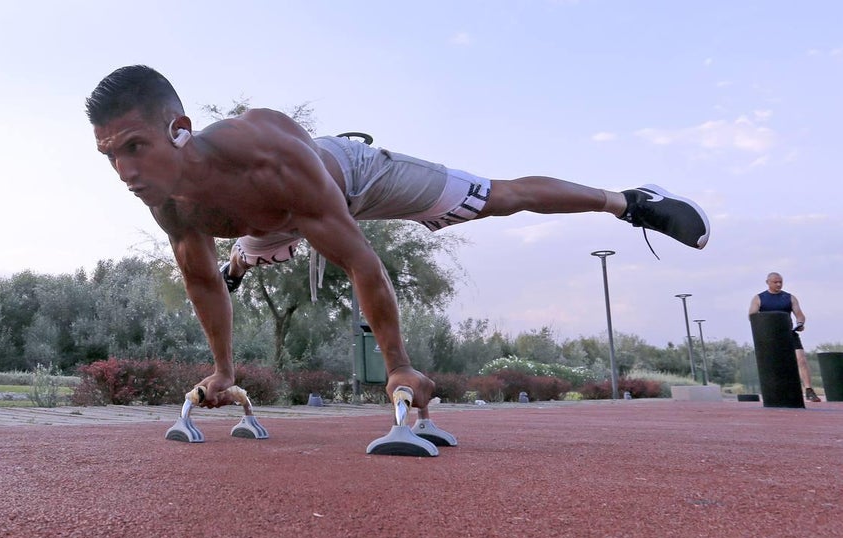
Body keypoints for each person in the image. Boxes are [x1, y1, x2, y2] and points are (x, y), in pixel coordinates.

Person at [86, 65, 711, 413]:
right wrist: (222, 373)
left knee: (496, 198)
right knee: (221, 260)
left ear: (178, 129)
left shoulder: (266, 154)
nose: (126, 173)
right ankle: (244, 257)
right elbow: (196, 281)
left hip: (342, 180)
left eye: (135, 147)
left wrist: (400, 368)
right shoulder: (163, 197)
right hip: (261, 224)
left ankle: (629, 202)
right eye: (110, 156)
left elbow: (361, 262)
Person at [749, 272, 820, 402]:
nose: (778, 284)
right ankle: (774, 392)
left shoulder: (789, 298)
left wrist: (800, 324)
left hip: (788, 333)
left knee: (801, 359)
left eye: (780, 282)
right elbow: (752, 316)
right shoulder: (759, 298)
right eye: (775, 282)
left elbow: (800, 315)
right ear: (768, 282)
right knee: (773, 364)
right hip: (769, 337)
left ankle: (809, 390)